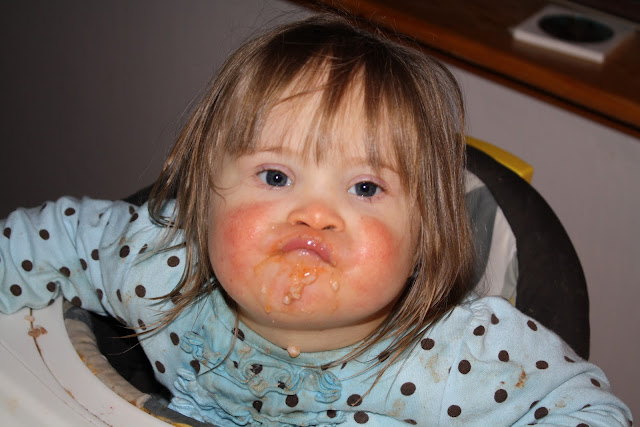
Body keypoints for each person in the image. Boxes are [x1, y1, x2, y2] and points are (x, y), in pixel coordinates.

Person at [0, 14, 632, 426]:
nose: (315, 214)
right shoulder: (159, 270)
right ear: (203, 196)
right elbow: (44, 241)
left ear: (426, 241)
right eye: (276, 177)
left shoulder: (453, 356)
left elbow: (588, 410)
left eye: (365, 187)